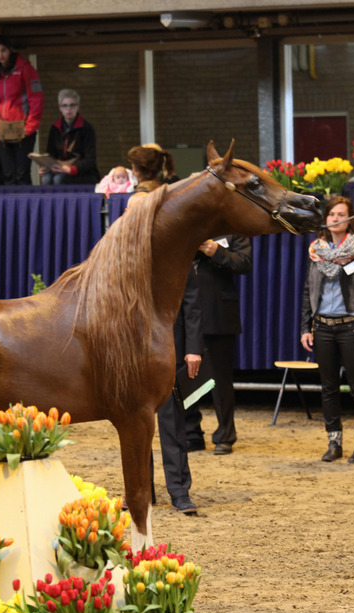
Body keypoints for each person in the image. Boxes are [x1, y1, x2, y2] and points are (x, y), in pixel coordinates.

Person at [128, 149, 202, 513]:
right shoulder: (121, 254)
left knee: (173, 423)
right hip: (132, 348)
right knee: (134, 425)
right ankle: (141, 491)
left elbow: (191, 301)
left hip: (167, 347)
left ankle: (179, 492)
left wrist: (193, 348)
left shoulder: (173, 252)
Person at [300, 196, 354, 464]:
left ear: (350, 218)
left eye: (341, 214)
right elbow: (308, 290)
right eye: (331, 214)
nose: (335, 218)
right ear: (325, 218)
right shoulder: (315, 249)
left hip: (351, 326)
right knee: (328, 388)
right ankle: (334, 442)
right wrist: (305, 327)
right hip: (322, 326)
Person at [184, 233, 252, 455]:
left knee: (219, 380)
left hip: (218, 314)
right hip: (185, 315)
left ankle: (225, 436)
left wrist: (217, 252)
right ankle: (191, 433)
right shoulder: (189, 224)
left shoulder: (231, 229)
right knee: (186, 378)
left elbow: (244, 263)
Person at [0, 35, 43, 185]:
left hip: (23, 128)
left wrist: (29, 127)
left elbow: (36, 99)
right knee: (9, 175)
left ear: (10, 50)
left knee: (22, 174)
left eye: (3, 50)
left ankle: (26, 207)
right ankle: (11, 208)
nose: (0, 55)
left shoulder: (26, 69)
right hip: (2, 129)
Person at [40, 89, 100, 185]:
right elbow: (51, 154)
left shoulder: (86, 128)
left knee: (58, 180)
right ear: (60, 108)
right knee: (46, 178)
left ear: (78, 107)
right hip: (60, 168)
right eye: (65, 105)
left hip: (82, 172)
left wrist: (70, 169)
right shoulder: (55, 128)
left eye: (72, 105)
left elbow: (90, 160)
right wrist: (46, 167)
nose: (68, 109)